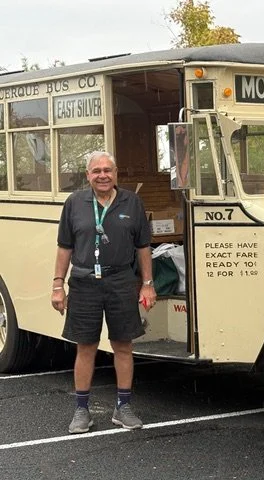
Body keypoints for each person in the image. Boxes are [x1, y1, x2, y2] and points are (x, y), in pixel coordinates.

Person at [50, 151, 157, 434]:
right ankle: (81, 411)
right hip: (84, 282)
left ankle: (123, 408)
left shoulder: (132, 202)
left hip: (121, 280)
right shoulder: (75, 203)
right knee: (86, 347)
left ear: (116, 173)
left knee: (123, 345)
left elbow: (143, 247)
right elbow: (64, 246)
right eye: (96, 171)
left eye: (107, 170)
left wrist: (148, 283)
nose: (102, 175)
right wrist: (58, 284)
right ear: (88, 176)